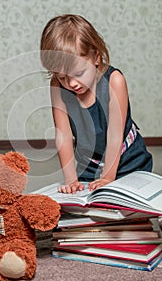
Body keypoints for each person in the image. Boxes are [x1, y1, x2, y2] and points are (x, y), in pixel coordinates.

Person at [40, 14, 153, 194]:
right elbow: (64, 135)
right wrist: (71, 179)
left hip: (128, 160)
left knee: (128, 207)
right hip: (90, 165)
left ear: (96, 58)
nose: (72, 84)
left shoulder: (114, 81)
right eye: (62, 77)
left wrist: (108, 177)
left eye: (78, 73)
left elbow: (115, 135)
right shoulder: (57, 86)